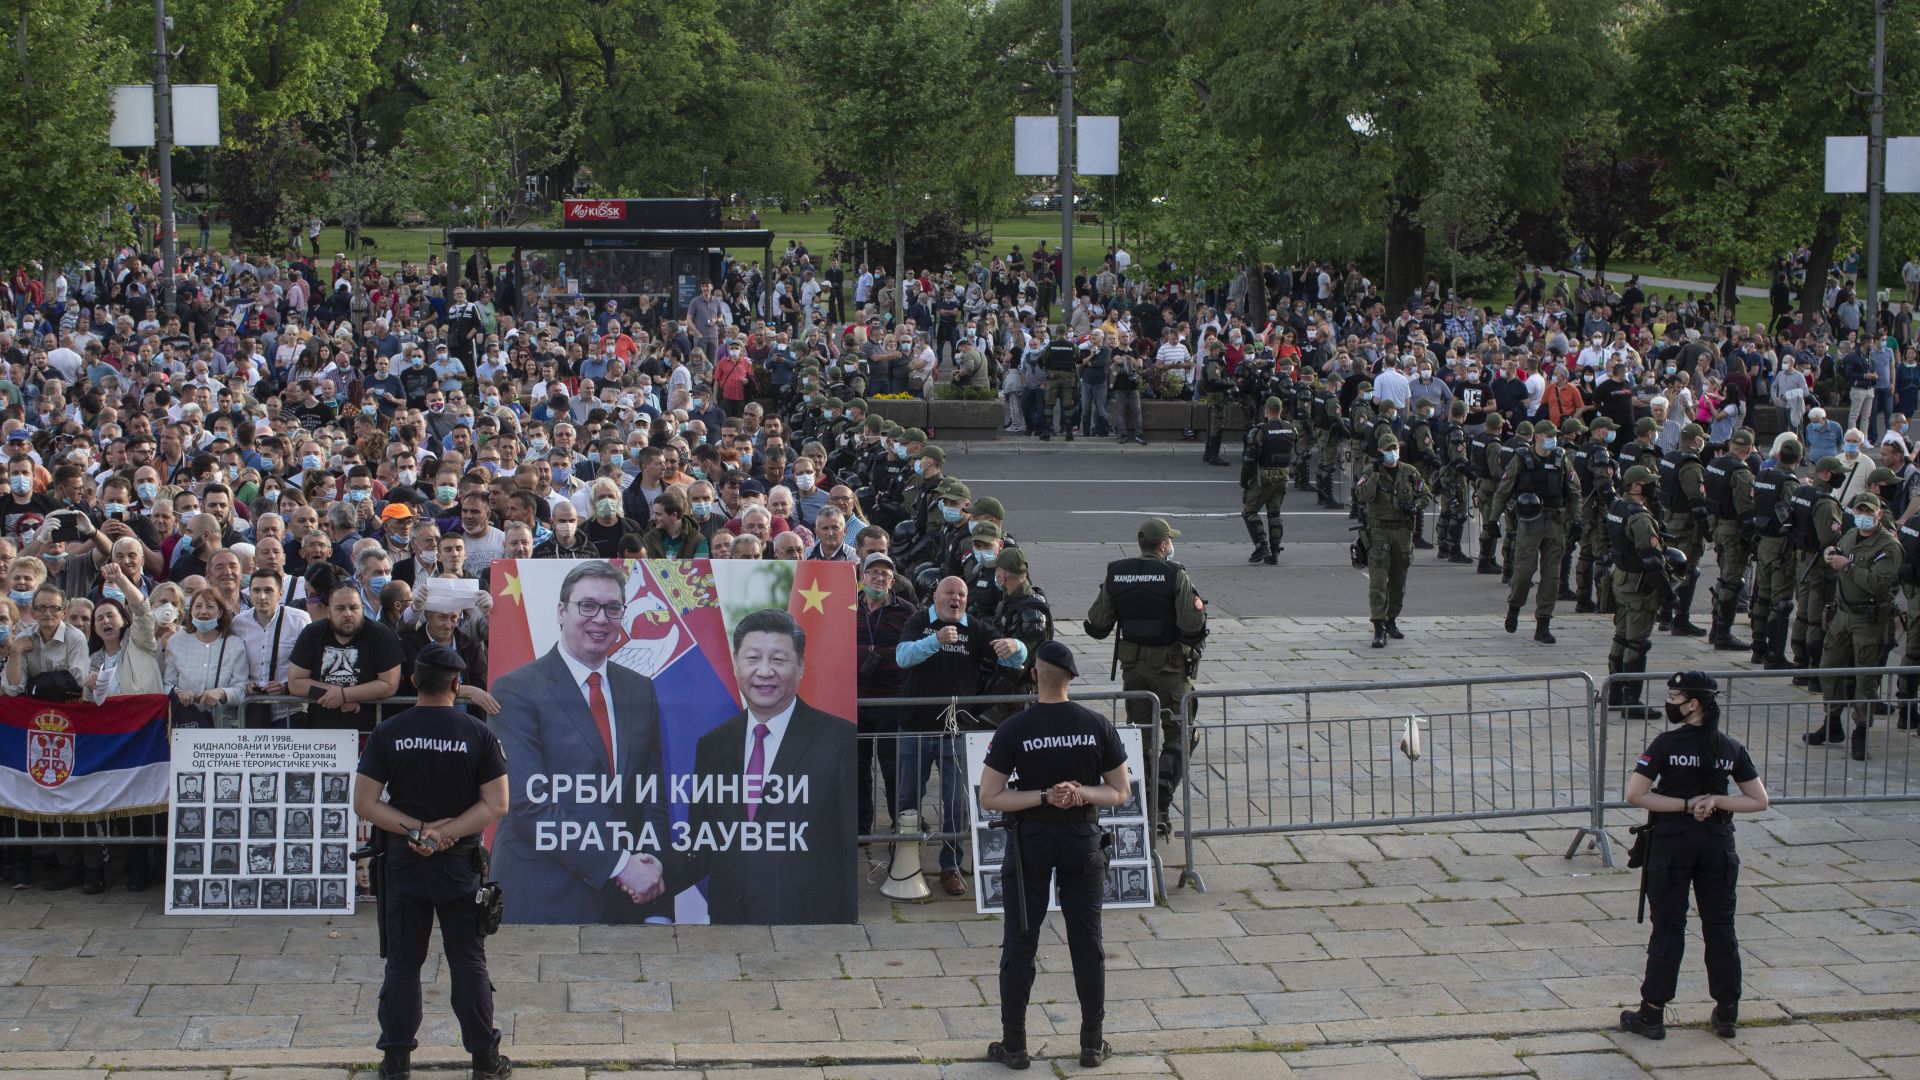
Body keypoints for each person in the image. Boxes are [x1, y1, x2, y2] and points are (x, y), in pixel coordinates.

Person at [354, 643, 511, 1080]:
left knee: (403, 964)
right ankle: (484, 1061)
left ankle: (396, 1061)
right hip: (458, 862)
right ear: (458, 685)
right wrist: (444, 832)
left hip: (404, 862)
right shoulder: (478, 734)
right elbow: (497, 805)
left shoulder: (389, 732)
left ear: (414, 681)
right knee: (468, 961)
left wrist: (415, 829)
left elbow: (365, 803)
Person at [488, 560, 669, 923]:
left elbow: (651, 792)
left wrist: (648, 864)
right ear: (561, 611)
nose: (600, 619)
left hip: (624, 900)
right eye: (587, 606)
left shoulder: (640, 689)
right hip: (543, 894)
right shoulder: (515, 690)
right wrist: (619, 865)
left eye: (613, 608)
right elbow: (527, 803)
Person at [978, 641, 1129, 1072]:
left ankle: (1015, 1044)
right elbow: (1120, 792)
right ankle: (1091, 1043)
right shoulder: (1096, 724)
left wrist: (1043, 795)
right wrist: (1079, 792)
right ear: (1073, 679)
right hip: (1081, 838)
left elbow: (991, 796)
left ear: (1033, 677)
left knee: (1020, 943)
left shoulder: (1015, 728)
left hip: (1032, 842)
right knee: (1087, 943)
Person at [664, 609, 856, 923]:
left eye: (778, 660)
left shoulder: (840, 740)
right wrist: (646, 876)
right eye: (752, 658)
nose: (764, 672)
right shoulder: (712, 745)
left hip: (810, 923)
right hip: (730, 922)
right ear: (736, 663)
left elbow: (847, 849)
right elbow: (703, 843)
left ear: (801, 666)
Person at [1619, 672, 1769, 1043]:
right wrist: (1716, 800)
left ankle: (1652, 1013)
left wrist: (1685, 805)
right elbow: (1758, 800)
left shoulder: (1665, 744)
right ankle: (1727, 1011)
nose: (1669, 702)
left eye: (1674, 696)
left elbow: (1635, 794)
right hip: (1717, 843)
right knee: (1720, 926)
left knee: (1668, 927)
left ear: (1693, 703)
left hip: (1672, 843)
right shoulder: (1730, 747)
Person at [895, 575, 1029, 895]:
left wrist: (1018, 647)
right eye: (949, 592)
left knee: (956, 804)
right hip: (915, 728)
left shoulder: (976, 628)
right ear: (936, 596)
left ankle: (951, 865)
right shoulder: (918, 621)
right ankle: (904, 859)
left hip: (956, 733)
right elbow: (902, 658)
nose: (956, 598)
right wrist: (935, 640)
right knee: (907, 799)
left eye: (962, 594)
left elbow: (1012, 657)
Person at [1084, 517, 1206, 839]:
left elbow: (1096, 625)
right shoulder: (1174, 574)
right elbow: (1192, 625)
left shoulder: (1117, 572)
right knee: (1182, 734)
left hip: (1133, 669)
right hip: (1170, 671)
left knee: (1140, 739)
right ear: (1164, 544)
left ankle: (1143, 808)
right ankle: (1161, 802)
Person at [1808, 492, 1903, 760]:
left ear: (1879, 514)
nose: (1863, 516)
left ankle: (1861, 730)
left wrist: (1847, 566)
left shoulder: (1888, 546)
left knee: (1865, 677)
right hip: (1842, 614)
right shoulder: (1850, 535)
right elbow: (1839, 549)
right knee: (1829, 669)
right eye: (1859, 511)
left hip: (1868, 619)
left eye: (1868, 512)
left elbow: (1878, 583)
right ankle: (1832, 722)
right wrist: (1831, 553)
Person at [1493, 421, 1582, 644]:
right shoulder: (1522, 459)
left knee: (1552, 577)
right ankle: (1514, 608)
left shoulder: (1561, 459)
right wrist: (1492, 520)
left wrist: (1577, 520)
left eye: (1554, 435)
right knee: (1523, 572)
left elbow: (1574, 491)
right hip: (1529, 523)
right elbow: (1504, 490)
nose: (1553, 439)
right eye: (1548, 435)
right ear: (1538, 436)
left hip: (1555, 523)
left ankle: (1543, 623)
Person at [287, 579, 405, 732]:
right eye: (340, 608)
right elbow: (295, 683)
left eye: (353, 607)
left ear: (362, 608)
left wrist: (344, 695)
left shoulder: (381, 635)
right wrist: (336, 695)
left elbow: (389, 685)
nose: (348, 614)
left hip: (370, 734)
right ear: (329, 611)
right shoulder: (312, 634)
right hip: (321, 735)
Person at [1354, 434, 1429, 649]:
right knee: (1378, 582)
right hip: (1379, 532)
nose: (1392, 452)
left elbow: (1425, 493)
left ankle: (1391, 620)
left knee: (1398, 581)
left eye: (1395, 448)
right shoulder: (1371, 471)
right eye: (1388, 449)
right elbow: (1362, 495)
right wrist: (1376, 475)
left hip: (1403, 532)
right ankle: (1378, 627)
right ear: (1380, 452)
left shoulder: (1409, 472)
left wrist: (1414, 506)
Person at [1605, 466, 1668, 720]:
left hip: (1621, 580)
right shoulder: (1640, 517)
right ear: (1635, 487)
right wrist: (1667, 593)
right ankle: (1631, 700)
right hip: (1639, 585)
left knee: (1621, 637)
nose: (1654, 486)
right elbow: (1651, 558)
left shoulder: (1617, 508)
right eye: (1648, 483)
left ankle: (1615, 694)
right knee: (1637, 642)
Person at [1749, 437, 1803, 669]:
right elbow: (1793, 513)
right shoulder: (1789, 482)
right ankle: (1775, 655)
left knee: (1762, 596)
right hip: (1781, 546)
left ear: (1778, 455)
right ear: (1799, 460)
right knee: (1780, 602)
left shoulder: (1763, 475)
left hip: (1763, 542)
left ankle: (1758, 647)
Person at [1703, 429, 1758, 652]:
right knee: (1733, 581)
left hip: (1719, 525)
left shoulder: (1716, 464)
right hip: (1734, 529)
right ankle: (1723, 633)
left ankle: (1717, 629)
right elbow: (1746, 508)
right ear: (1749, 449)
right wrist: (1752, 536)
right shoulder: (1741, 473)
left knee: (1725, 578)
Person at [1658, 424, 1711, 636]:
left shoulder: (1670, 457)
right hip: (1685, 523)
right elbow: (1697, 501)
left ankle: (1664, 615)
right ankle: (1680, 620)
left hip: (1670, 517)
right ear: (1696, 440)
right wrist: (1708, 532)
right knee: (1687, 571)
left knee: (1670, 568)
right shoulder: (1690, 465)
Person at [1239, 395, 1296, 564]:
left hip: (1264, 476)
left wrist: (1244, 480)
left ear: (1266, 411)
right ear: (1280, 410)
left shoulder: (1261, 431)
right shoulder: (1291, 429)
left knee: (1249, 510)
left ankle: (1261, 545)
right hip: (1283, 476)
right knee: (1274, 513)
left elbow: (1250, 459)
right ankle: (1275, 551)